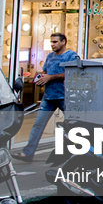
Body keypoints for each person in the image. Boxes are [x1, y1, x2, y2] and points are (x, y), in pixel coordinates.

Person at [14, 32, 79, 162]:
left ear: (63, 42)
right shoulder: (50, 56)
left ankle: (77, 153)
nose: (52, 44)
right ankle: (27, 153)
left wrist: (51, 77)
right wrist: (40, 77)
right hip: (49, 97)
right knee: (38, 124)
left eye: (55, 42)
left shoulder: (71, 56)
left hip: (65, 97)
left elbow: (72, 72)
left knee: (73, 126)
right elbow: (45, 72)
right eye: (51, 42)